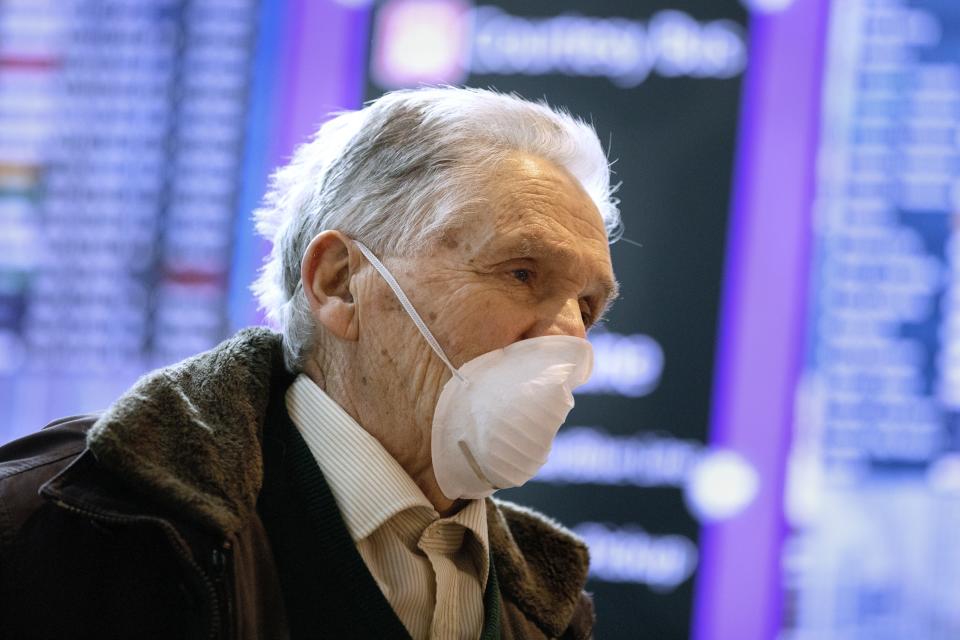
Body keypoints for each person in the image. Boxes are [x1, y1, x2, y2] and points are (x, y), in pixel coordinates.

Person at [0, 87, 619, 639]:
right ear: (340, 283)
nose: (568, 337)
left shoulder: (548, 609)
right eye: (521, 273)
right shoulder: (63, 523)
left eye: (588, 307)